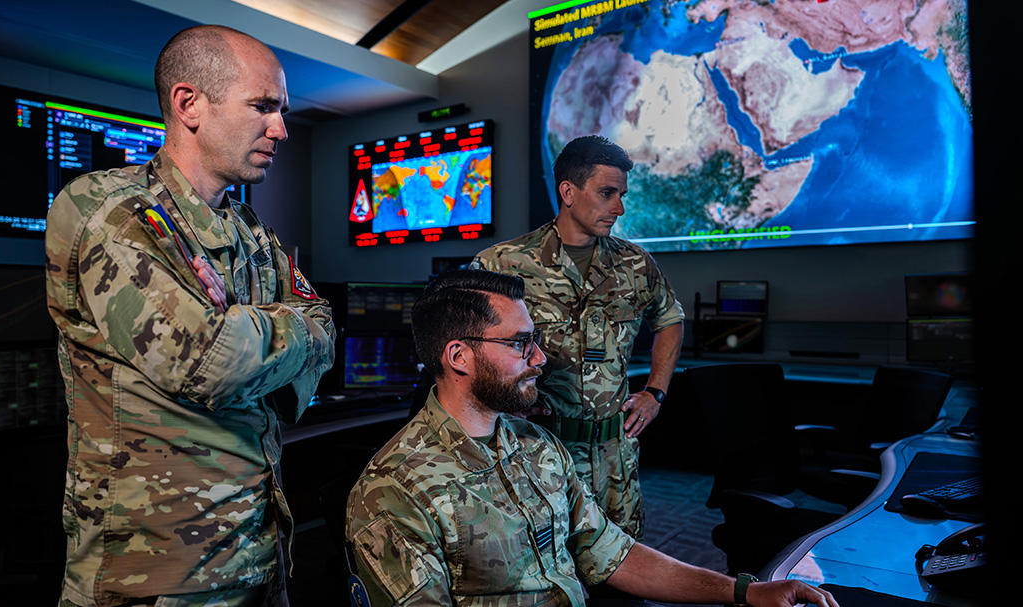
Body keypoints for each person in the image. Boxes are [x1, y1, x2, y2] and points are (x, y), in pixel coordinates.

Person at [45, 25, 335, 607]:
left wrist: (248, 329)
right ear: (188, 104)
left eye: (281, 111)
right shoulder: (108, 208)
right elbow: (210, 363)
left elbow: (326, 327)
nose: (280, 129)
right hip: (157, 575)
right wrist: (273, 335)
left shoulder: (249, 230)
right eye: (263, 106)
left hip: (259, 552)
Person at [345, 269, 834, 607]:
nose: (540, 359)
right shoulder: (394, 490)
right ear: (459, 357)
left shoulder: (536, 444)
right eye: (520, 343)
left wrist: (743, 591)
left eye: (535, 340)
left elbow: (612, 553)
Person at [471, 135, 683, 539]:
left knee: (624, 563)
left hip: (615, 459)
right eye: (607, 193)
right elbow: (470, 346)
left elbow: (670, 318)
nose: (619, 208)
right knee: (546, 564)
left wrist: (655, 392)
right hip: (539, 453)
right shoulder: (502, 264)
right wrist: (502, 400)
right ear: (568, 192)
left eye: (621, 195)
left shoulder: (635, 264)